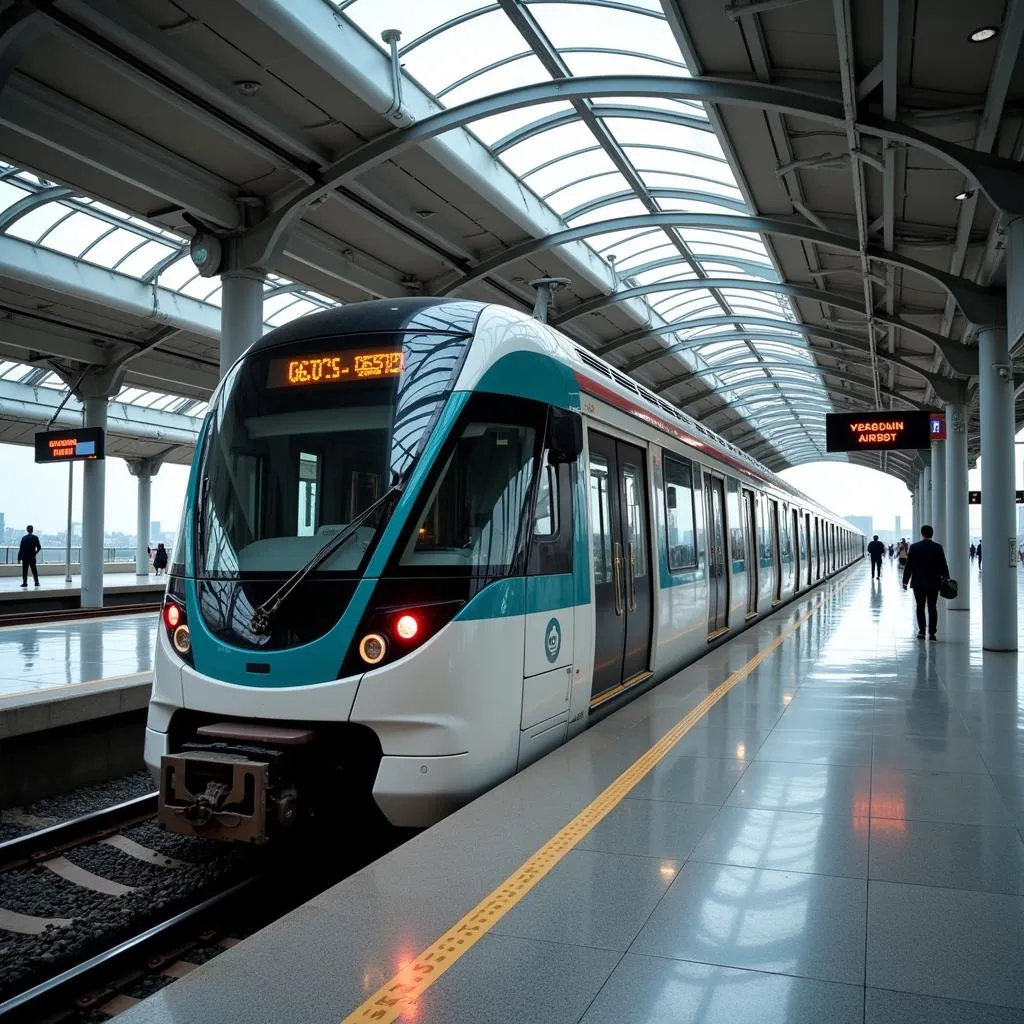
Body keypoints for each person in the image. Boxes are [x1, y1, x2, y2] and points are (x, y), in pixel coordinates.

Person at [902, 524, 950, 640]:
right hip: (934, 582)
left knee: (920, 606)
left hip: (918, 582)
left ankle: (922, 631)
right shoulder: (938, 547)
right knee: (932, 606)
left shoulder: (914, 547)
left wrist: (905, 581)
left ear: (922, 534)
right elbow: (943, 564)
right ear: (932, 534)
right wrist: (946, 577)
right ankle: (932, 632)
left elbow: (909, 566)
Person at [17, 524, 41, 589]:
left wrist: (19, 558)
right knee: (34, 569)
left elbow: (21, 549)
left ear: (27, 530)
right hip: (32, 556)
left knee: (24, 570)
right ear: (32, 530)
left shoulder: (24, 538)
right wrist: (35, 553)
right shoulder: (35, 537)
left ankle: (25, 583)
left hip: (25, 557)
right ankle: (36, 582)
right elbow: (39, 547)